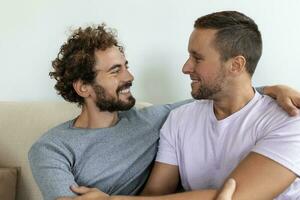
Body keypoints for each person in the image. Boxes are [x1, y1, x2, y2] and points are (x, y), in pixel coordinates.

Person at [29, 22, 300, 200]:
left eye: (126, 66)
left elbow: (230, 92)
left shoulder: (156, 118)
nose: (130, 76)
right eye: (116, 71)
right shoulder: (52, 148)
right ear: (83, 88)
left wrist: (275, 89)